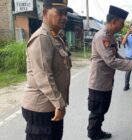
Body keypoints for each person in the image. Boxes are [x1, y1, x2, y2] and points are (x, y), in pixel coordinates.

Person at [87, 5, 132, 140]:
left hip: (107, 81)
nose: (123, 26)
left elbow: (117, 56)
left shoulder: (110, 37)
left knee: (103, 109)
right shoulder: (102, 37)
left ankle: (97, 130)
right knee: (97, 111)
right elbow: (111, 61)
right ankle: (93, 134)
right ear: (114, 21)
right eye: (122, 23)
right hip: (98, 82)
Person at [21, 0, 73, 140]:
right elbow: (43, 75)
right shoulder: (41, 38)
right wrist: (60, 104)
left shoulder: (56, 36)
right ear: (45, 13)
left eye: (66, 13)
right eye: (60, 12)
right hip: (41, 108)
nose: (64, 17)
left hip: (51, 106)